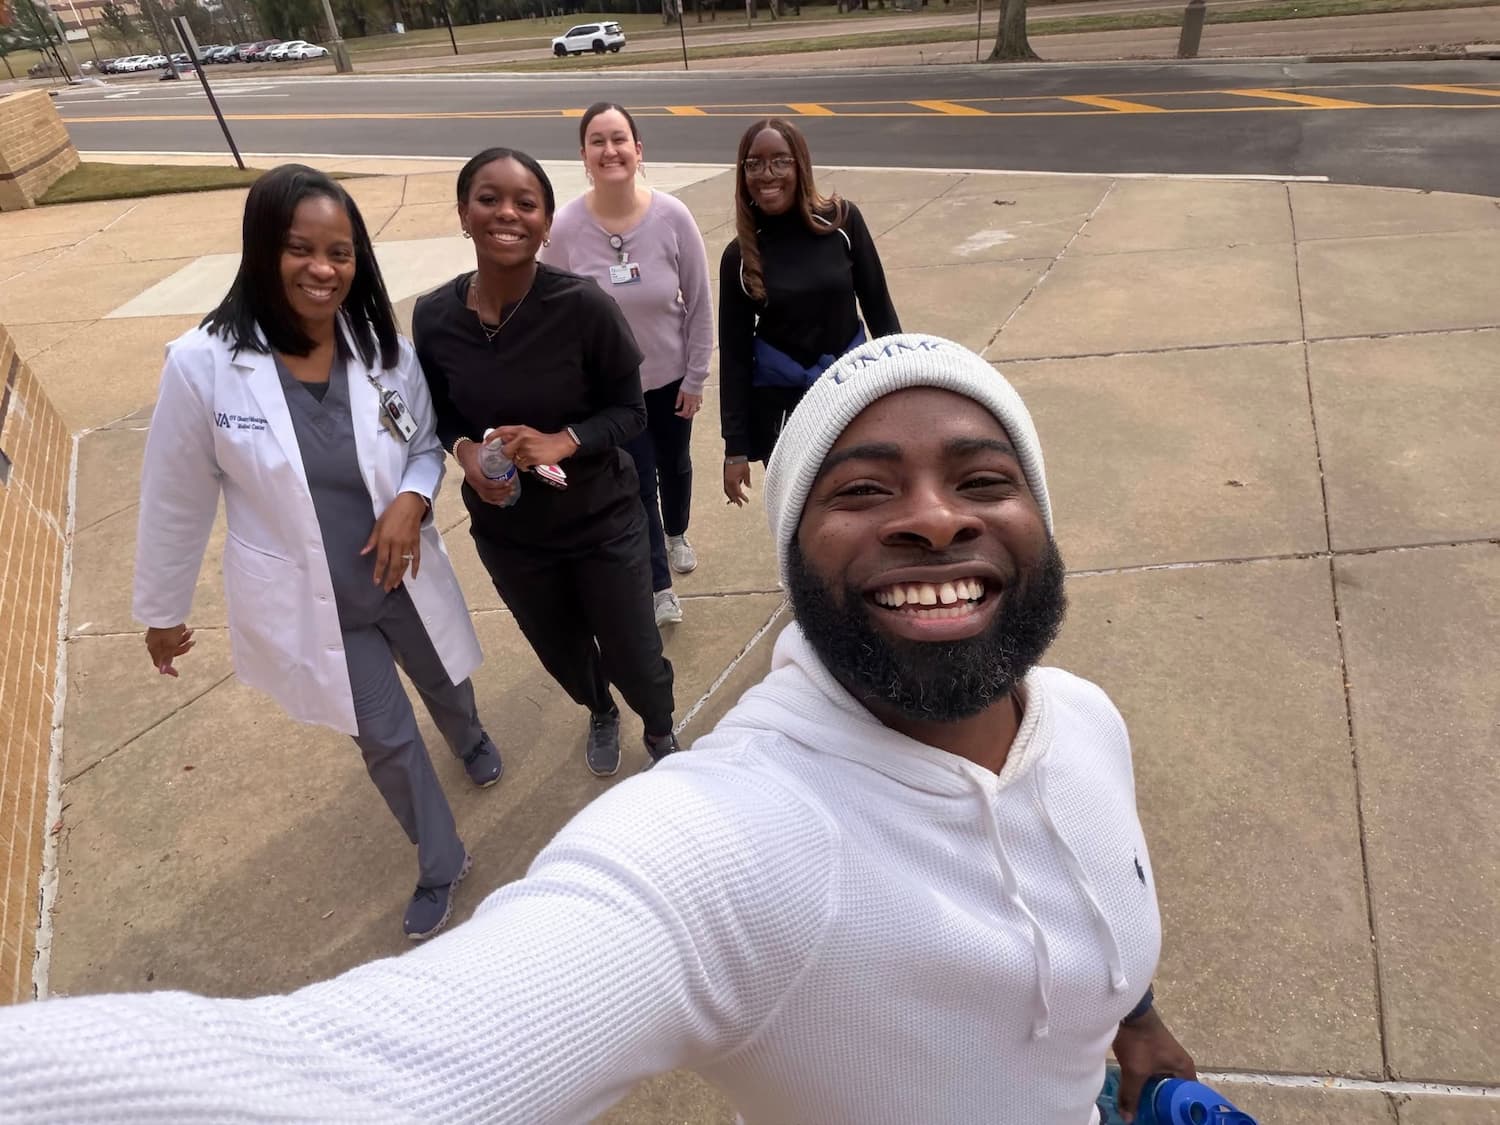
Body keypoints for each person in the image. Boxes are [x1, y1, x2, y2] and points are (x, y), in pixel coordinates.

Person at [0, 334, 1198, 1125]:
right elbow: (368, 1080)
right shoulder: (731, 847)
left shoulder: (1086, 720)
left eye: (984, 478)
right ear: (791, 559)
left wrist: (1134, 1027)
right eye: (864, 490)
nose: (935, 521)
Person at [132, 164, 500, 941]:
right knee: (388, 740)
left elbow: (424, 446)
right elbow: (174, 498)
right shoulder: (202, 366)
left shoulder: (380, 348)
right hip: (321, 602)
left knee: (446, 680)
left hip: (398, 577)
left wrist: (412, 497)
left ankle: (469, 736)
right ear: (263, 250)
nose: (323, 269)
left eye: (340, 252)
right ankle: (441, 861)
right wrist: (161, 613)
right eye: (301, 249)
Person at [413, 147, 680, 779]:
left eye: (525, 203)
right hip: (511, 534)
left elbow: (631, 412)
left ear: (545, 224)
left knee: (634, 652)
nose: (507, 213)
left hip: (601, 519)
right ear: (463, 213)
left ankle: (663, 731)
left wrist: (565, 440)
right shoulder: (434, 317)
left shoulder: (582, 306)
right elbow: (440, 413)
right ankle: (598, 709)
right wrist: (464, 451)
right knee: (561, 650)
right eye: (489, 198)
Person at [543, 102, 713, 628]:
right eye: (598, 141)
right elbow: (552, 314)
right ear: (584, 156)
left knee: (674, 469)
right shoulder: (566, 229)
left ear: (639, 151)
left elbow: (701, 301)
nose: (610, 150)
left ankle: (677, 529)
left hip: (672, 381)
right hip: (614, 396)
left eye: (620, 139)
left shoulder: (672, 216)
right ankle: (659, 587)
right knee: (638, 484)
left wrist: (697, 376)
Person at [719, 116, 901, 508]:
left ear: (800, 165)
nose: (767, 174)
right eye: (754, 164)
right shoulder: (739, 255)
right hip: (783, 412)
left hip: (852, 392)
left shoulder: (842, 222)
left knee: (864, 502)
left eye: (780, 161)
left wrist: (901, 392)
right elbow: (734, 358)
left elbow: (880, 312)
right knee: (804, 515)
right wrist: (735, 449)